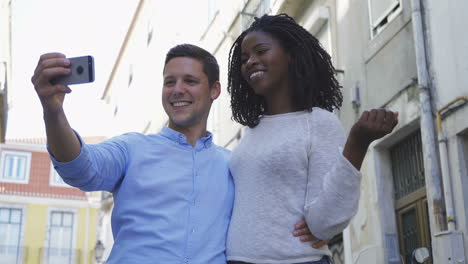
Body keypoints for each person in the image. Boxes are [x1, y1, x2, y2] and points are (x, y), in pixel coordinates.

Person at [31, 44, 316, 264]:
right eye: (170, 82)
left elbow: (273, 213)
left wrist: (320, 228)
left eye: (190, 81)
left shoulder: (235, 164)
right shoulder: (132, 148)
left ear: (214, 89)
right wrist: (52, 111)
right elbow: (80, 169)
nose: (177, 90)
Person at [225, 14, 399, 264]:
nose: (250, 62)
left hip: (296, 260)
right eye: (244, 59)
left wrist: (357, 145)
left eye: (261, 51)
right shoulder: (251, 131)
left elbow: (323, 222)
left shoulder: (318, 123)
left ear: (291, 55)